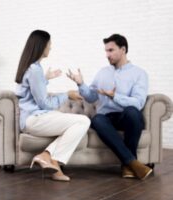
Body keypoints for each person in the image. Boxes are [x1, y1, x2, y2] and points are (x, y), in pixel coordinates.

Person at [67, 33, 152, 180]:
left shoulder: (139, 74)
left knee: (133, 112)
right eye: (106, 51)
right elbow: (92, 96)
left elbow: (138, 103)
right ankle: (132, 163)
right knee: (97, 119)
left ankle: (128, 164)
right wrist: (81, 84)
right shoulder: (102, 73)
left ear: (123, 49)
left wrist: (115, 97)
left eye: (111, 50)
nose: (107, 54)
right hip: (107, 119)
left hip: (126, 117)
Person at [15, 30, 90, 182]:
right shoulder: (34, 70)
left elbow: (32, 92)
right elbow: (45, 103)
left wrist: (45, 79)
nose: (51, 47)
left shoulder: (32, 68)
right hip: (34, 119)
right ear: (41, 46)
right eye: (49, 44)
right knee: (83, 121)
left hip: (35, 117)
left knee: (73, 123)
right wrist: (67, 94)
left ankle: (47, 156)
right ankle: (53, 160)